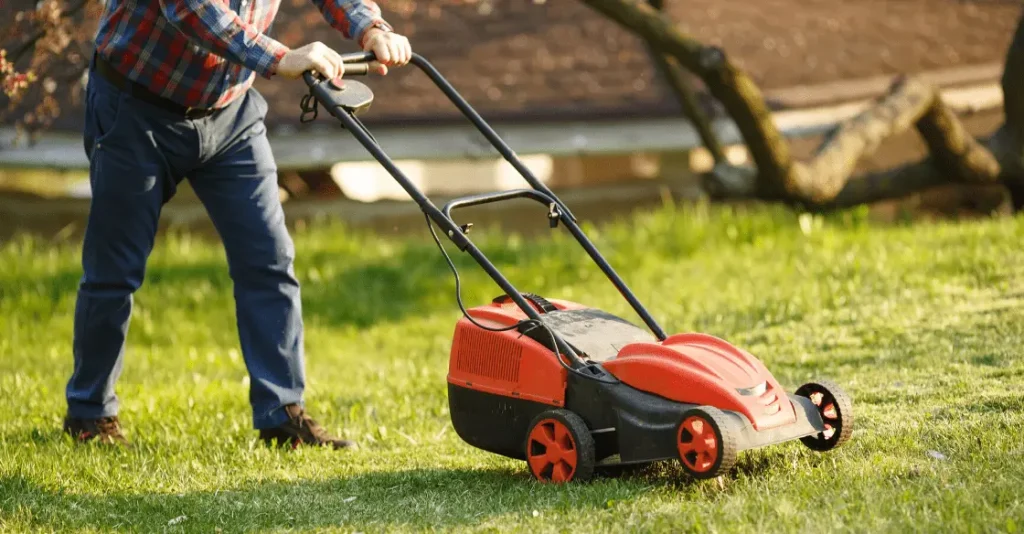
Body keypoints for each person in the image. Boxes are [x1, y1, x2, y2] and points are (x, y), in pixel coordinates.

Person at [62, 0, 411, 449]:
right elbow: (192, 10)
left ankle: (282, 413)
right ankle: (90, 414)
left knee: (268, 258)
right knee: (115, 270)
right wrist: (281, 58)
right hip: (136, 109)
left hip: (229, 115)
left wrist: (370, 28)